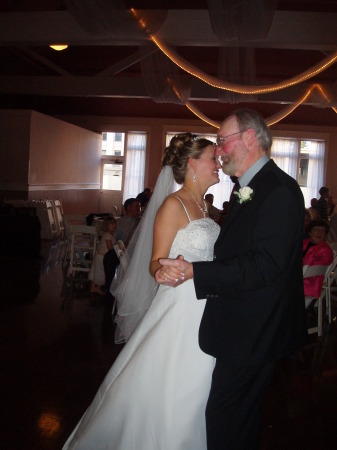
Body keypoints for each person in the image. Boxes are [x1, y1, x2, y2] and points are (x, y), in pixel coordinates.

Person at [158, 109, 308, 450]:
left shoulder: (278, 191)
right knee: (236, 420)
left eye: (223, 141)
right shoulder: (250, 187)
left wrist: (198, 271)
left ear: (250, 139)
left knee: (227, 419)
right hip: (242, 326)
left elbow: (265, 265)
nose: (219, 149)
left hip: (255, 330)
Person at [62, 133, 220, 449]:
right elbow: (153, 262)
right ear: (192, 164)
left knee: (197, 384)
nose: (219, 164)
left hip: (206, 303)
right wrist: (162, 270)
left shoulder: (202, 206)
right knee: (176, 381)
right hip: (181, 307)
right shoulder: (172, 206)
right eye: (213, 158)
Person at [303, 219, 334, 297]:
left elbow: (308, 266)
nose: (319, 233)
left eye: (322, 231)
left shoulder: (325, 250)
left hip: (308, 285)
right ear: (309, 232)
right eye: (316, 230)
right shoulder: (304, 243)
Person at [88, 218, 117, 295]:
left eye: (115, 224)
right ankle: (97, 288)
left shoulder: (110, 235)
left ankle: (92, 288)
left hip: (99, 256)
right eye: (112, 224)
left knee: (96, 272)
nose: (114, 225)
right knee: (102, 273)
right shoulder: (107, 235)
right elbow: (109, 247)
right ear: (107, 226)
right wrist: (117, 246)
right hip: (102, 257)